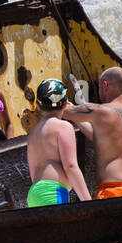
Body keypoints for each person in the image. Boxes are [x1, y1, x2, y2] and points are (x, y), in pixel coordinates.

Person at [58, 67, 122, 198]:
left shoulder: (100, 111)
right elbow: (103, 141)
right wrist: (79, 122)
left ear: (105, 85)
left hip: (114, 192)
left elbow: (62, 111)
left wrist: (66, 104)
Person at [26, 78, 92, 206]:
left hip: (35, 193)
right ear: (66, 105)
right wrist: (88, 202)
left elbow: (33, 173)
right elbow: (70, 166)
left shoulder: (33, 134)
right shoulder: (64, 127)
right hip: (53, 193)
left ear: (38, 106)